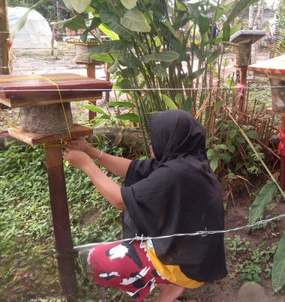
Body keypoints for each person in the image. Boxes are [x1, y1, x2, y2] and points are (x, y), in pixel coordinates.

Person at [63, 110, 227, 302]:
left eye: (154, 139)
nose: (151, 144)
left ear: (171, 139)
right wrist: (91, 152)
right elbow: (132, 168)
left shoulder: (177, 173)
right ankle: (171, 288)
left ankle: (173, 280)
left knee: (92, 260)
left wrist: (87, 165)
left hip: (184, 263)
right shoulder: (190, 160)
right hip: (197, 257)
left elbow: (119, 200)